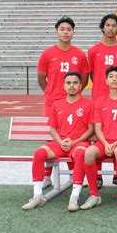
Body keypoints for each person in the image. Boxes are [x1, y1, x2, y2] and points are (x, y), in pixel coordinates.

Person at [22, 72, 94, 211]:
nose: (71, 86)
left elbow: (91, 130)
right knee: (39, 153)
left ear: (80, 85)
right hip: (60, 143)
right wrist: (60, 141)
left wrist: (74, 142)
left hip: (79, 143)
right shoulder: (57, 104)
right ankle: (37, 195)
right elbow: (52, 129)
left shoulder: (88, 104)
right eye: (68, 83)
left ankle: (74, 196)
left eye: (75, 83)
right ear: (64, 85)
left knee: (80, 155)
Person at [37, 16, 89, 188]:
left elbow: (84, 78)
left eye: (69, 29)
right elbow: (41, 78)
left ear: (73, 32)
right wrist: (51, 92)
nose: (66, 32)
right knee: (53, 138)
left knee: (72, 136)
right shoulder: (47, 53)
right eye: (62, 29)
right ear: (56, 31)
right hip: (53, 103)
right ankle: (46, 176)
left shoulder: (79, 54)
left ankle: (73, 174)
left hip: (74, 103)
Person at [80, 66, 117, 211]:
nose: (114, 79)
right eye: (111, 76)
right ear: (106, 80)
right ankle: (94, 195)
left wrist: (115, 143)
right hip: (103, 141)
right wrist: (105, 143)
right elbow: (97, 128)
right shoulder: (99, 102)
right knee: (88, 153)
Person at [88, 13, 117, 188]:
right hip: (98, 99)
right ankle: (97, 175)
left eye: (114, 25)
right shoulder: (93, 51)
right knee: (97, 135)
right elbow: (92, 74)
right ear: (102, 27)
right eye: (107, 25)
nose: (110, 28)